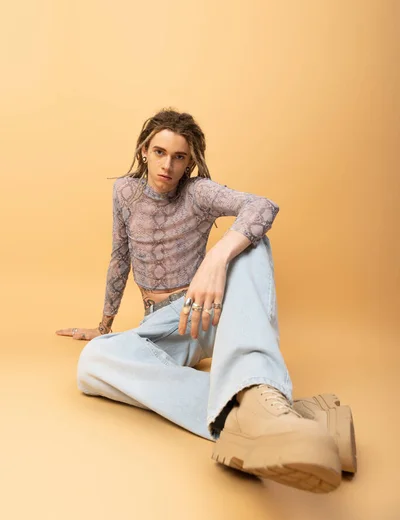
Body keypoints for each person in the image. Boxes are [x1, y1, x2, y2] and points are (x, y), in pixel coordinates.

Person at [56, 108, 356, 493]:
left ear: (190, 161)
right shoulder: (125, 193)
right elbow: (120, 256)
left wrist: (216, 258)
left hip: (210, 309)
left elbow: (262, 206)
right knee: (93, 362)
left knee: (253, 243)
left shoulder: (199, 192)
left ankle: (261, 411)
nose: (168, 165)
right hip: (164, 324)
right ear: (144, 150)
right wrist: (104, 326)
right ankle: (286, 419)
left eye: (179, 157)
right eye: (160, 152)